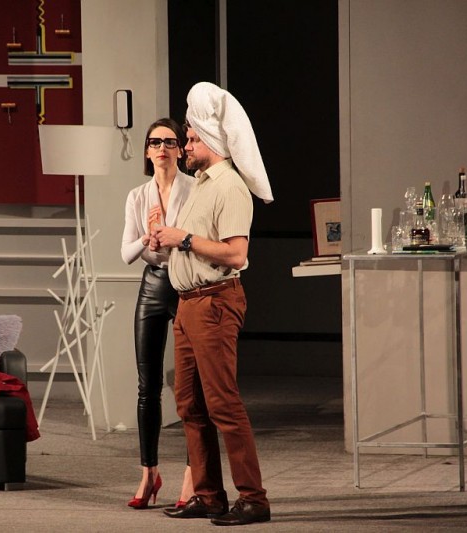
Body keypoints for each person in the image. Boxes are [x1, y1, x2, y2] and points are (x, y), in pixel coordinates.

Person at [152, 82, 273, 526]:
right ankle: (208, 495)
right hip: (188, 306)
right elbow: (193, 243)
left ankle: (253, 498)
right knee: (189, 404)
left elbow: (235, 254)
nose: (185, 146)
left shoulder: (230, 187)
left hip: (214, 303)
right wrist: (166, 240)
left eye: (191, 139)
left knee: (222, 403)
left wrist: (182, 237)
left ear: (211, 140)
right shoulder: (201, 185)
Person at [120, 118, 195, 510]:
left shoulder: (195, 188)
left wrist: (172, 235)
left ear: (180, 149)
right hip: (152, 285)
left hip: (186, 282)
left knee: (191, 386)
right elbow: (126, 253)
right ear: (147, 151)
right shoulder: (137, 196)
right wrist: (147, 239)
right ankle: (149, 472)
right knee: (147, 385)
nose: (162, 148)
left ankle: (192, 475)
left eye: (169, 142)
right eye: (154, 142)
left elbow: (198, 240)